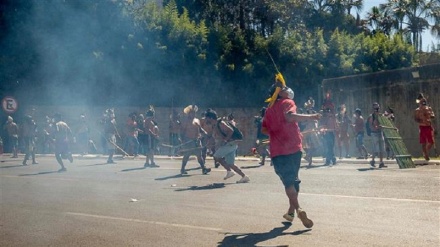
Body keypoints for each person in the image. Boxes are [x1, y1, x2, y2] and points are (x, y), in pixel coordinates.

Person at [262, 84, 319, 227]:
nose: (288, 89)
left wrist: (276, 132)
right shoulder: (288, 102)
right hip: (294, 148)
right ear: (279, 93)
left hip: (278, 151)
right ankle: (292, 211)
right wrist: (311, 116)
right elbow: (289, 117)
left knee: (289, 182)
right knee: (293, 180)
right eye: (284, 87)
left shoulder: (269, 110)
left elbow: (264, 129)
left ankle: (297, 209)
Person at [204, 109, 249, 183]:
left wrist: (225, 140)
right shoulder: (214, 125)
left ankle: (229, 171)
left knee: (216, 156)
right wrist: (209, 143)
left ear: (211, 118)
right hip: (231, 144)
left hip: (230, 144)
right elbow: (214, 137)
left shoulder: (220, 123)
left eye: (206, 118)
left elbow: (230, 130)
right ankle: (244, 176)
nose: (205, 119)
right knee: (230, 163)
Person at [179, 105, 211, 175]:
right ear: (189, 113)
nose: (193, 114)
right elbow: (182, 132)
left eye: (194, 113)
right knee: (187, 155)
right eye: (192, 113)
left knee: (199, 155)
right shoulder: (185, 121)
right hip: (188, 141)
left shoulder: (197, 120)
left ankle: (203, 169)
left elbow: (200, 129)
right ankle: (182, 169)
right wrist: (182, 140)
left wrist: (205, 133)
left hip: (196, 140)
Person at [414, 93, 436, 161]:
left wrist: (428, 116)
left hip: (428, 126)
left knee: (431, 142)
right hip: (422, 127)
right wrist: (420, 119)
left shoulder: (429, 108)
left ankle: (425, 152)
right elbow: (415, 118)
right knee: (423, 142)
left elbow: (433, 115)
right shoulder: (417, 110)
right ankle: (425, 154)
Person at [367, 102, 387, 168]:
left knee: (381, 148)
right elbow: (371, 126)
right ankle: (372, 161)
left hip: (380, 132)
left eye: (378, 108)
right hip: (374, 134)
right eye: (375, 108)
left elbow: (383, 122)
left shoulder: (380, 115)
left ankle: (381, 162)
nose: (377, 109)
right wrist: (377, 127)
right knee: (375, 149)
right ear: (373, 109)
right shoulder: (371, 116)